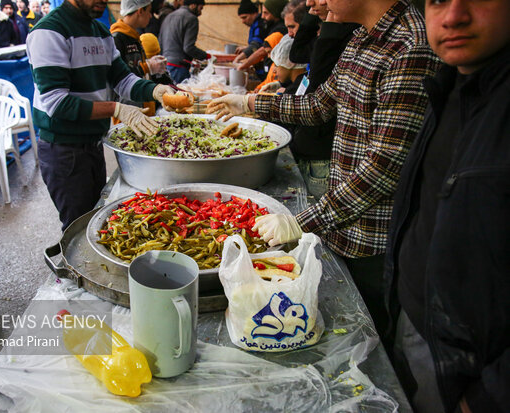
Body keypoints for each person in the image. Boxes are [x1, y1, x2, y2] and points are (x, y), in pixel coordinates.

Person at [208, 0, 441, 345]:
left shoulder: (410, 48)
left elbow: (384, 168)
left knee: (371, 338)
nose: (318, 3)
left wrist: (301, 221)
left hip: (375, 242)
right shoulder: (363, 37)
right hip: (342, 226)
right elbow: (320, 105)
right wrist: (250, 103)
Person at [384, 0, 510, 412]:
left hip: (470, 372)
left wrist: (487, 398)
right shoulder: (450, 84)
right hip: (420, 330)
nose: (453, 15)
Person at [26, 0, 174, 230]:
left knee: (96, 220)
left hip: (93, 145)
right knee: (77, 228)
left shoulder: (100, 32)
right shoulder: (50, 32)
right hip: (65, 151)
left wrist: (155, 91)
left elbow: (122, 79)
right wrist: (116, 109)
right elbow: (56, 103)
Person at [284, 1, 359, 202]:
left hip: (323, 151)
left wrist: (329, 27)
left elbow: (317, 92)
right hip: (309, 143)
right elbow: (297, 53)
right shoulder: (339, 33)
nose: (311, 3)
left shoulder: (347, 36)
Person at [159, 0, 207, 83]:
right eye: (200, 8)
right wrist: (206, 56)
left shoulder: (169, 16)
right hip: (179, 67)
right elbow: (188, 48)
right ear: (193, 5)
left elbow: (160, 41)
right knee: (182, 94)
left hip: (165, 65)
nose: (200, 13)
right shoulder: (191, 18)